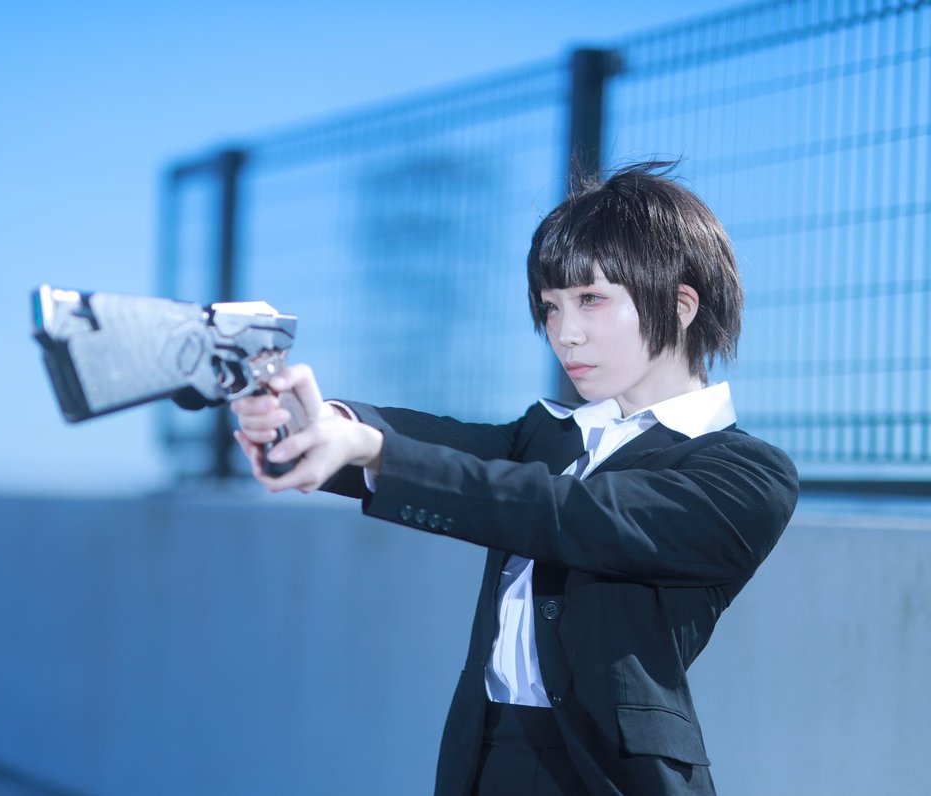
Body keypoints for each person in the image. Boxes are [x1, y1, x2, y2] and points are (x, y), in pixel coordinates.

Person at [230, 162, 799, 796]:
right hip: (485, 754)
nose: (565, 333)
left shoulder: (747, 475)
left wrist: (372, 449)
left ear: (679, 304)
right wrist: (321, 422)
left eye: (591, 299)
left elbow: (572, 514)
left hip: (610, 775)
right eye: (551, 307)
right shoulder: (546, 436)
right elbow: (438, 444)